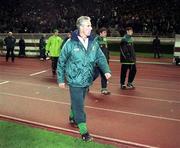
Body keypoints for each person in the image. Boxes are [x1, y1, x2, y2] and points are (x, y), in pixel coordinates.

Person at [57, 16, 111, 141]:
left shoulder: (93, 42)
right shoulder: (70, 44)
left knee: (78, 101)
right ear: (80, 27)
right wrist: (60, 79)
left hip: (87, 79)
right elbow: (61, 61)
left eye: (90, 25)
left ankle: (72, 116)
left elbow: (101, 57)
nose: (91, 28)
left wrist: (106, 70)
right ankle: (84, 131)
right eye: (88, 25)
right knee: (80, 106)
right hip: (74, 80)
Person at [93, 27, 110, 95]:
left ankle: (104, 89)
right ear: (100, 33)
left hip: (104, 61)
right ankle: (87, 85)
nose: (105, 34)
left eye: (106, 32)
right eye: (104, 33)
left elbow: (106, 50)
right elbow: (94, 51)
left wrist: (107, 58)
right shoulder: (96, 40)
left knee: (104, 75)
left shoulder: (105, 39)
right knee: (95, 75)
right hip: (97, 61)